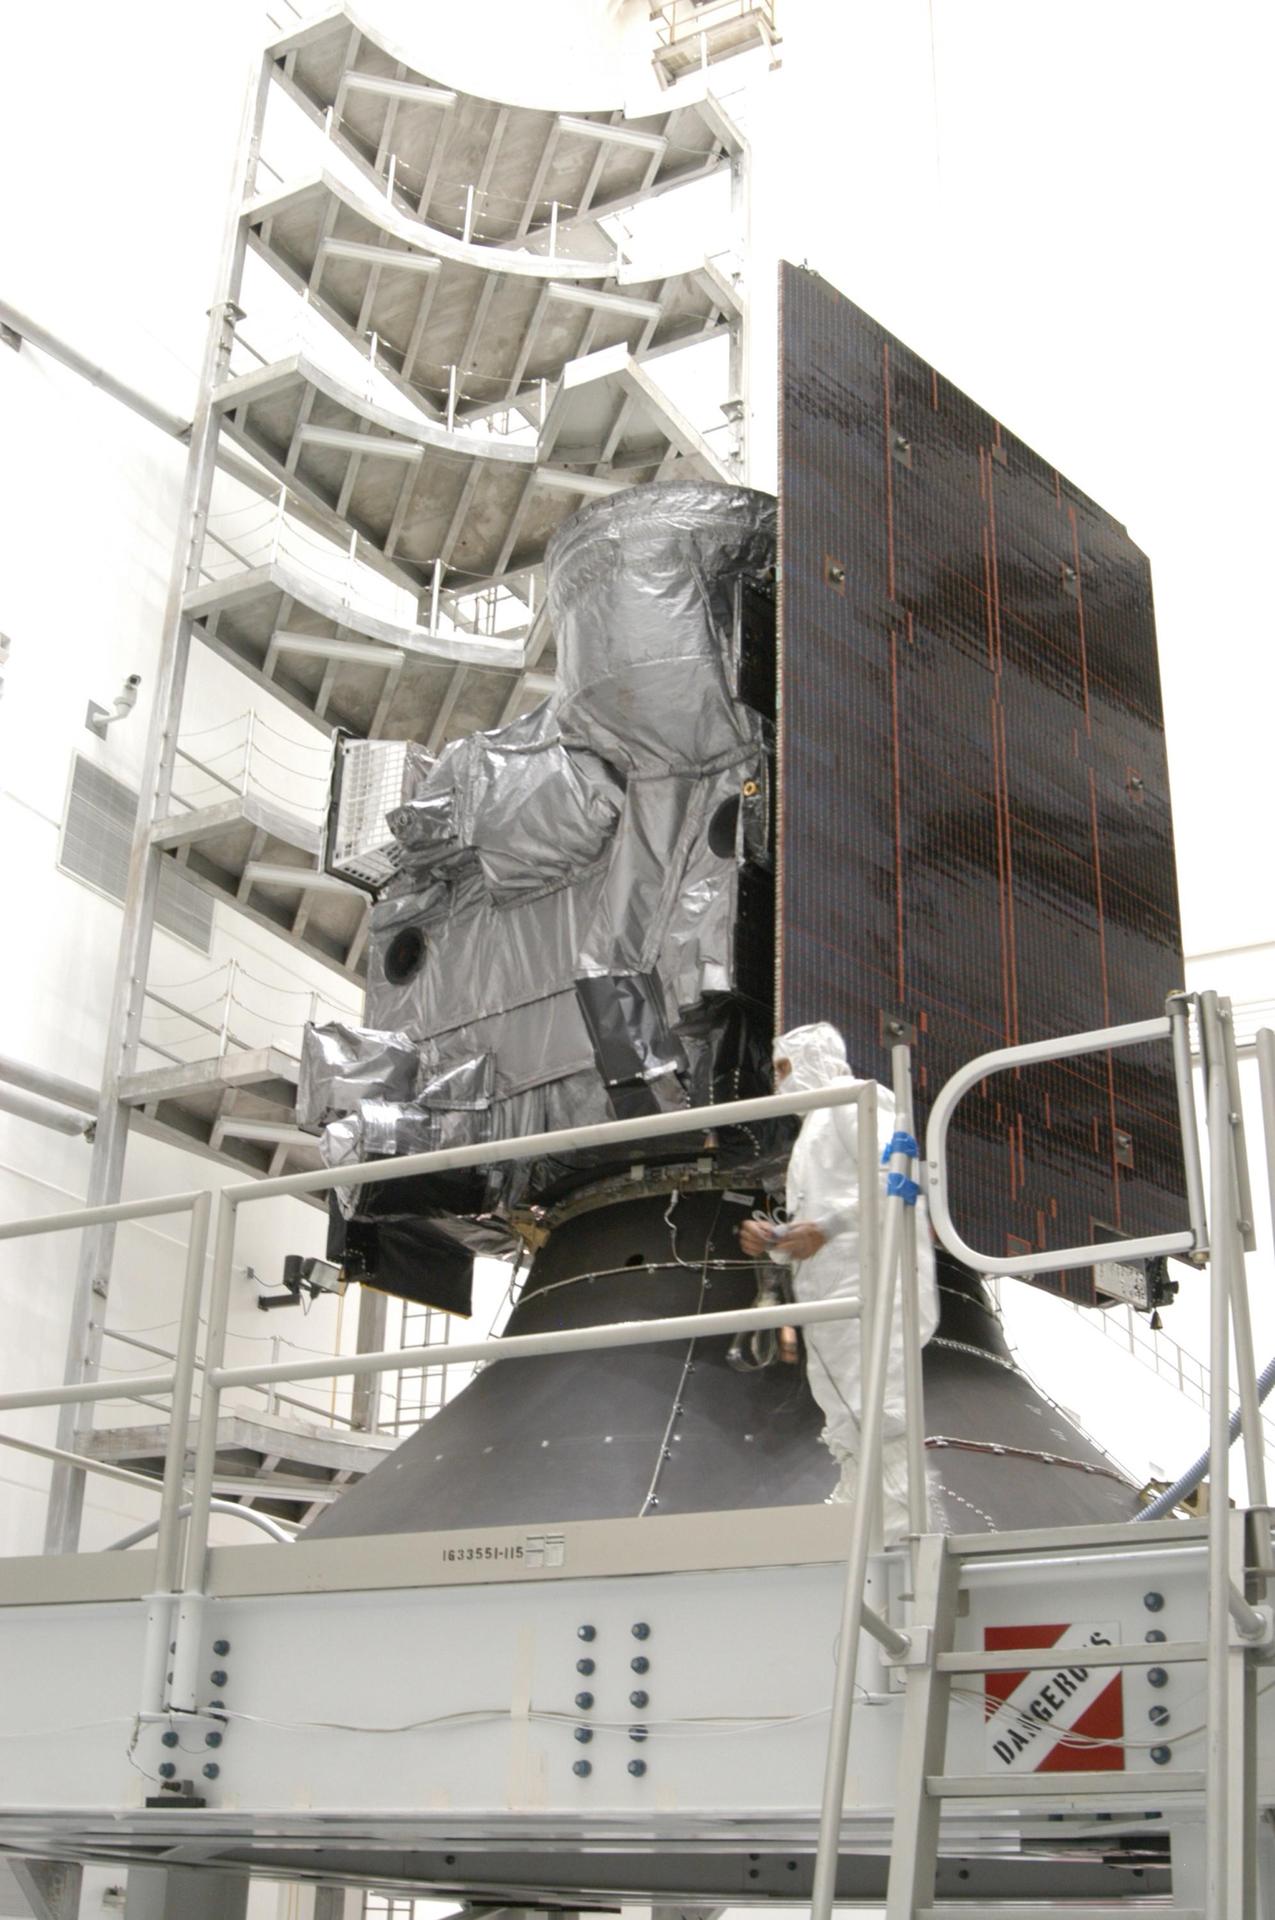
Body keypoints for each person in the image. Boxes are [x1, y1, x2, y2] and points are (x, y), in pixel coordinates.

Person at [738, 1023, 938, 1537]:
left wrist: (824, 1229)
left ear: (813, 1060)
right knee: (845, 1412)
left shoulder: (855, 1104)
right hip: (829, 1293)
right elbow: (815, 1223)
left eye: (784, 1069)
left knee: (879, 1408)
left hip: (868, 1283)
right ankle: (861, 1511)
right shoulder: (812, 1135)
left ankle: (900, 1527)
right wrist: (775, 1240)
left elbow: (898, 1180)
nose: (779, 1083)